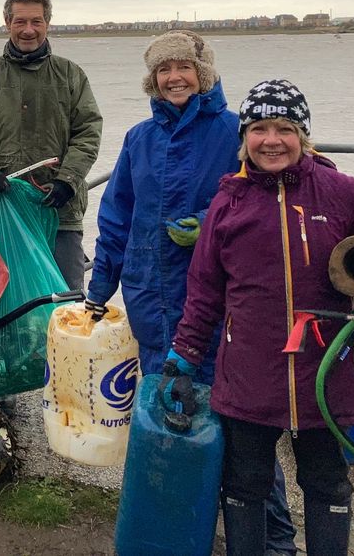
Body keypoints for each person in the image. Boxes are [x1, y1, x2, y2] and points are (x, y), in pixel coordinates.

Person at [167, 79, 354, 556]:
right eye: (258, 128)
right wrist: (184, 358)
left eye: (283, 128)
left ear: (303, 135)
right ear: (244, 138)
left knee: (327, 482)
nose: (271, 140)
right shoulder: (227, 206)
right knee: (244, 483)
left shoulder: (343, 193)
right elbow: (205, 292)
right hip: (250, 374)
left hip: (326, 369)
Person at [84, 31, 297, 555]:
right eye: (164, 69)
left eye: (185, 66)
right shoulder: (139, 138)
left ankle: (272, 538)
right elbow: (117, 215)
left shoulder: (234, 132)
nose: (175, 77)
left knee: (239, 419)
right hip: (149, 298)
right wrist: (99, 287)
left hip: (220, 304)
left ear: (205, 73)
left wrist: (208, 223)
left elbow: (265, 195)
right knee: (169, 416)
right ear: (152, 79)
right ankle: (172, 527)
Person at [0, 0, 103, 288]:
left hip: (60, 212)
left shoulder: (71, 74)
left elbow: (88, 131)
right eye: (20, 22)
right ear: (7, 23)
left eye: (36, 21)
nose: (28, 30)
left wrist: (68, 180)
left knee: (66, 304)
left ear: (48, 23)